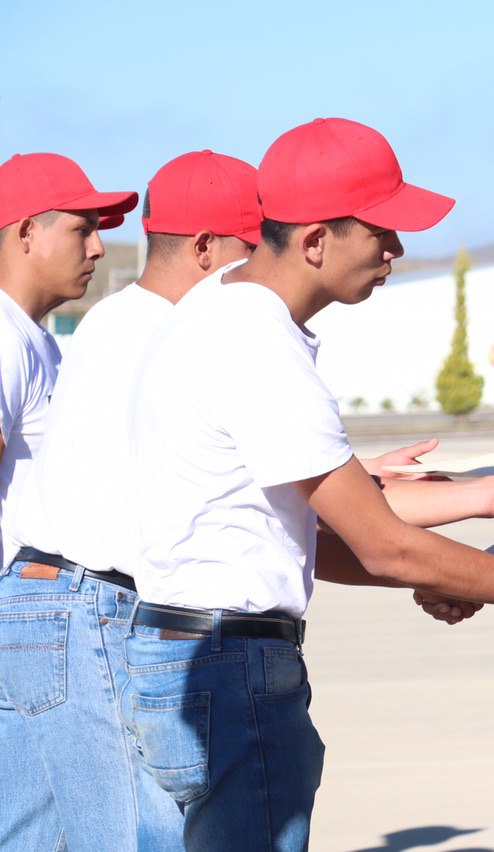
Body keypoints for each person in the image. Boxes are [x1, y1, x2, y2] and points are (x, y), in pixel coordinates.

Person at [117, 118, 494, 851]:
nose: (396, 249)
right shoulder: (256, 343)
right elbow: (385, 544)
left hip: (181, 657)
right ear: (317, 241)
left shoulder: (217, 312)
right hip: (230, 677)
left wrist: (483, 514)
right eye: (381, 230)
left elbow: (314, 542)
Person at [0, 151, 137, 850]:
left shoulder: (38, 341)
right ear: (25, 233)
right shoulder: (2, 337)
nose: (98, 246)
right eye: (82, 228)